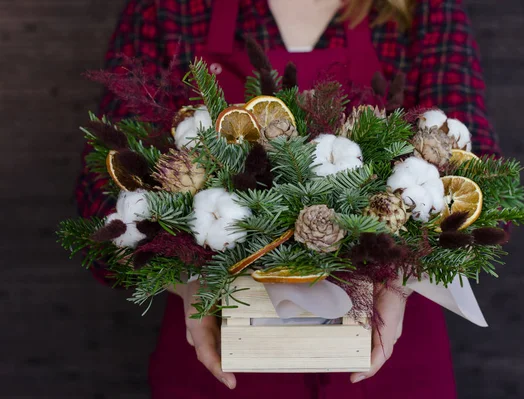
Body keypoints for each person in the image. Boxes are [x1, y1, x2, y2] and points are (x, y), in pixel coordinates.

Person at [76, 0, 501, 397]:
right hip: (220, 353)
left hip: (387, 355)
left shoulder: (425, 9)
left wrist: (399, 283)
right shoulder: (173, 7)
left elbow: (486, 187)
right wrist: (189, 283)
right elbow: (100, 197)